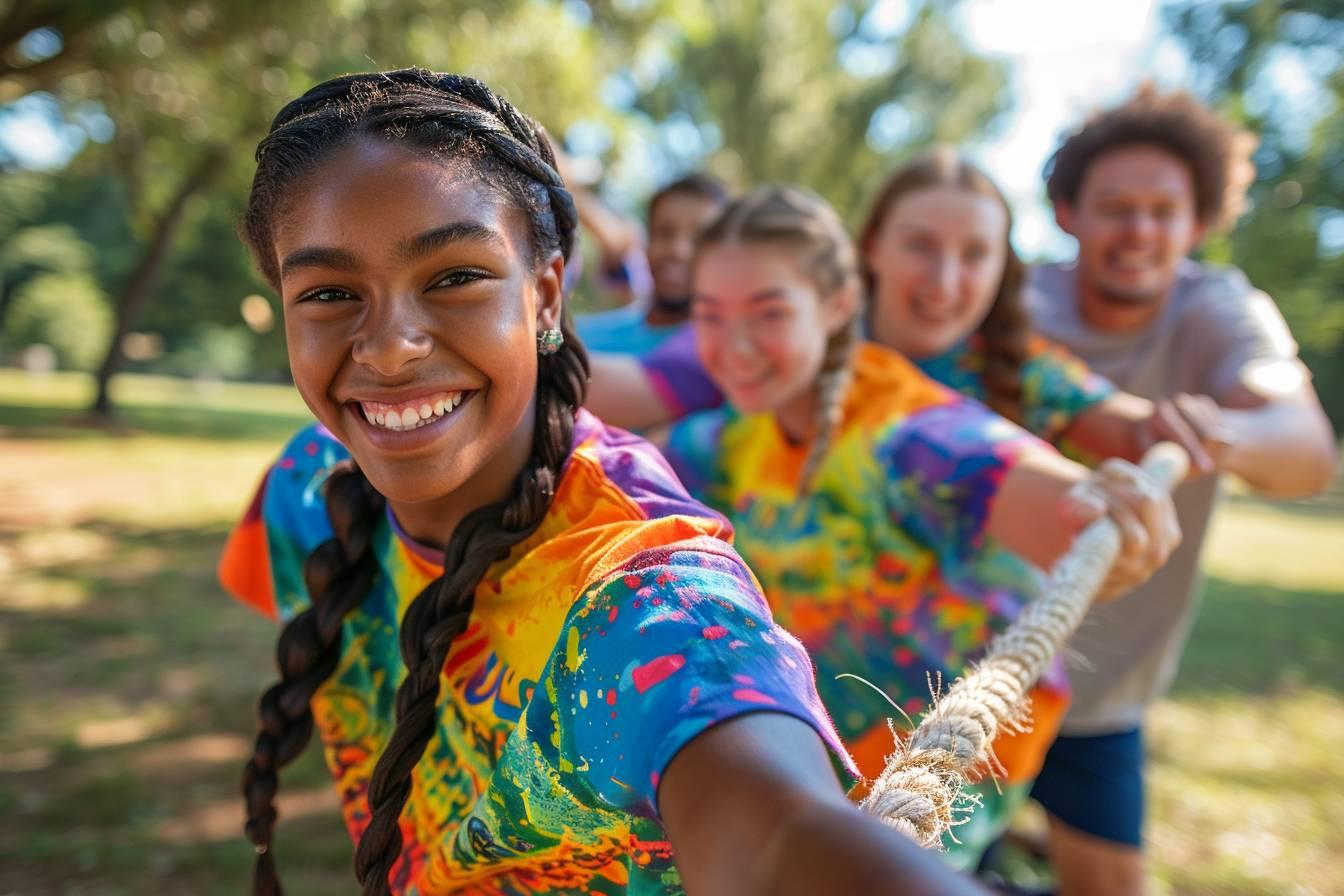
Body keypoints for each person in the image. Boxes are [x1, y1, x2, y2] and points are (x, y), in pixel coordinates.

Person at [217, 67, 1009, 896]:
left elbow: (776, 832)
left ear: (547, 294)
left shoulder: (641, 600)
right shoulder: (306, 492)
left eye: (455, 277)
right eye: (330, 293)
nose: (388, 347)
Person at [656, 185, 1182, 872]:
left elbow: (1008, 475)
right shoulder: (738, 434)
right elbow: (630, 460)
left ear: (840, 305)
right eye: (711, 316)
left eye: (769, 312)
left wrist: (1104, 510)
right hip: (832, 741)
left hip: (949, 750)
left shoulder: (904, 429)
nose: (735, 345)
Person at [1024, 85, 1338, 896]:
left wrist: (1208, 433)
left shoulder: (1221, 309)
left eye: (1164, 209)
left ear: (1199, 223)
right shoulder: (1019, 306)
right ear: (1067, 212)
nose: (1139, 230)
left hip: (1104, 687)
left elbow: (1306, 451)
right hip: (966, 654)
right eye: (1114, 207)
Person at [574, 173, 729, 354]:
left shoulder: (725, 358)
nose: (678, 251)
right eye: (664, 233)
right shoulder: (581, 337)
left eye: (699, 239)